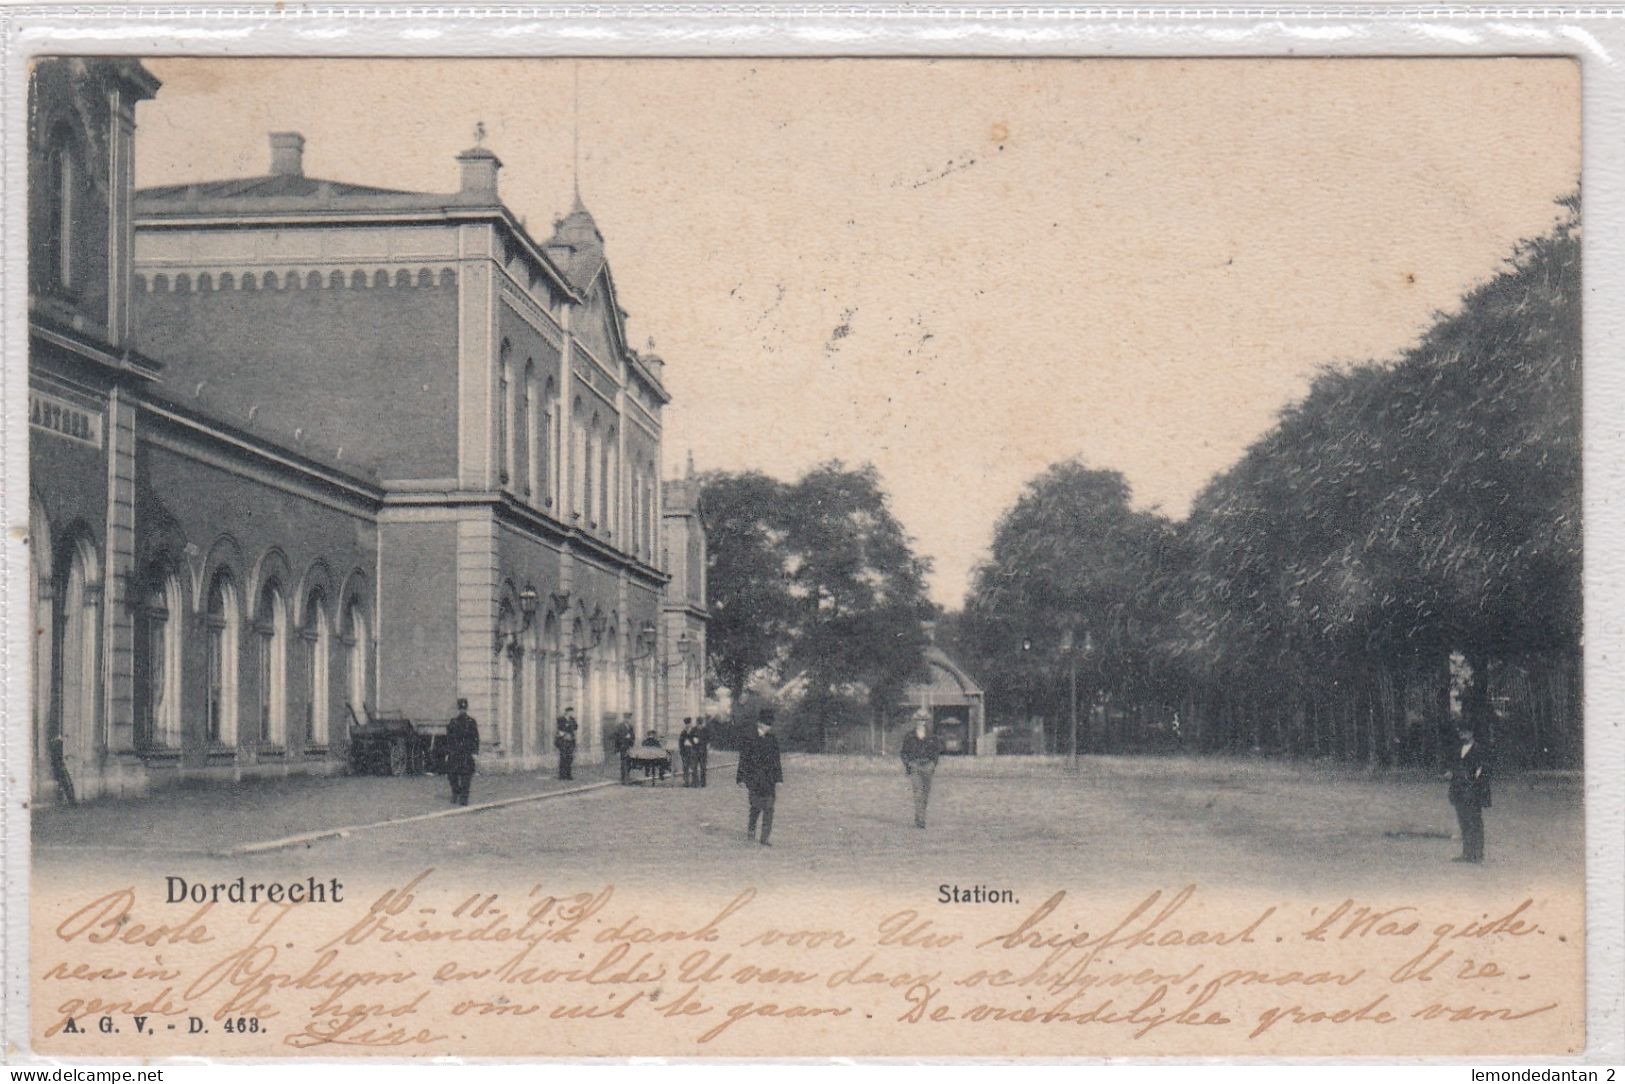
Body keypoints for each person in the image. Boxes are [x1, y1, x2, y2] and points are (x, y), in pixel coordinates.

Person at [736, 709, 784, 846]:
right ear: (759, 723)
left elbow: (777, 761)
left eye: (769, 724)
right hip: (754, 780)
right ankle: (751, 830)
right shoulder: (749, 738)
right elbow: (743, 759)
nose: (768, 727)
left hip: (769, 780)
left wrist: (779, 779)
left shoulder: (772, 739)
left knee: (769, 808)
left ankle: (765, 838)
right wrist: (740, 778)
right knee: (755, 807)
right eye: (766, 724)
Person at [1447, 725, 1491, 863]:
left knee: (1475, 822)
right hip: (1459, 791)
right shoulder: (1457, 749)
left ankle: (1477, 854)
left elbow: (1482, 771)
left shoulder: (1479, 750)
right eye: (1460, 732)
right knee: (1464, 822)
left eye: (1465, 732)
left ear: (1471, 733)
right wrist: (1451, 773)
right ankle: (1467, 853)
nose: (1462, 734)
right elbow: (1454, 766)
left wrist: (1474, 785)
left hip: (1473, 791)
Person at [899, 711, 945, 829]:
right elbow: (904, 752)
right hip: (915, 766)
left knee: (925, 794)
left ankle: (920, 815)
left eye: (923, 720)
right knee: (918, 793)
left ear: (926, 721)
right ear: (916, 721)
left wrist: (932, 764)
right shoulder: (909, 736)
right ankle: (921, 820)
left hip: (927, 767)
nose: (921, 722)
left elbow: (936, 752)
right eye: (919, 720)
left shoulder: (932, 737)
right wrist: (909, 764)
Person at [445, 697, 479, 806]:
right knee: (452, 776)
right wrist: (448, 752)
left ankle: (464, 798)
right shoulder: (453, 722)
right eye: (461, 709)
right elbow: (449, 738)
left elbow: (475, 738)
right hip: (456, 753)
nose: (462, 711)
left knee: (466, 777)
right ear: (458, 709)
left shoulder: (471, 722)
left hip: (465, 753)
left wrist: (475, 752)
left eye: (464, 709)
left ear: (466, 709)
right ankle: (456, 792)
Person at [554, 707, 578, 781]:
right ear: (567, 712)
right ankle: (562, 775)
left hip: (570, 741)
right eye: (570, 712)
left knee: (569, 758)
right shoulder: (561, 719)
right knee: (563, 758)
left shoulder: (572, 719)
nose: (572, 713)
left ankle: (568, 775)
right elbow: (560, 728)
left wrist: (569, 725)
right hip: (563, 741)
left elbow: (576, 727)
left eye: (572, 712)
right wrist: (566, 728)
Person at [613, 718, 636, 784]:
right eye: (626, 718)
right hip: (622, 747)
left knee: (628, 763)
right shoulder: (620, 726)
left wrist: (631, 740)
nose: (628, 720)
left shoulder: (631, 726)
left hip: (629, 747)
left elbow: (633, 736)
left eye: (629, 718)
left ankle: (627, 777)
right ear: (624, 719)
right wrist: (617, 749)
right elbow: (616, 738)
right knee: (623, 763)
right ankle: (623, 779)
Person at [679, 718, 701, 787]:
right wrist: (681, 751)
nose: (687, 725)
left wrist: (695, 748)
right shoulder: (683, 732)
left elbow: (697, 741)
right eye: (686, 724)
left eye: (689, 724)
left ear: (690, 724)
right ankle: (686, 782)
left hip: (692, 750)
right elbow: (680, 743)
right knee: (685, 768)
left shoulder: (694, 732)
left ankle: (695, 782)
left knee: (693, 767)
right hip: (685, 751)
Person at [695, 716, 711, 787]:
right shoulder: (694, 730)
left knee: (703, 767)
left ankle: (703, 783)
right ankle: (695, 782)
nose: (699, 725)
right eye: (699, 723)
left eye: (700, 723)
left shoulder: (706, 730)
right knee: (694, 767)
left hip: (703, 751)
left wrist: (707, 746)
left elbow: (709, 740)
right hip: (695, 751)